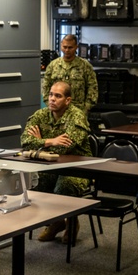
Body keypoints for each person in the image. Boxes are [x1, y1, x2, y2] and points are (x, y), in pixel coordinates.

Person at [22, 81, 92, 243]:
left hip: (78, 169)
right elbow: (25, 141)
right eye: (51, 95)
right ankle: (57, 222)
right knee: (36, 182)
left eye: (58, 96)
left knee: (64, 185)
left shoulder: (77, 116)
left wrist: (40, 142)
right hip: (51, 167)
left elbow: (65, 148)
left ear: (68, 100)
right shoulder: (41, 115)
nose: (52, 99)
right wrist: (50, 142)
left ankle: (71, 224)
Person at [42, 34, 98, 115]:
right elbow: (46, 87)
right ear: (61, 46)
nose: (67, 50)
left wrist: (86, 108)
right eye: (64, 47)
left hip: (78, 110)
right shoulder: (53, 65)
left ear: (76, 47)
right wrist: (50, 105)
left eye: (70, 47)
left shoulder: (85, 66)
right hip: (57, 111)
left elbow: (92, 88)